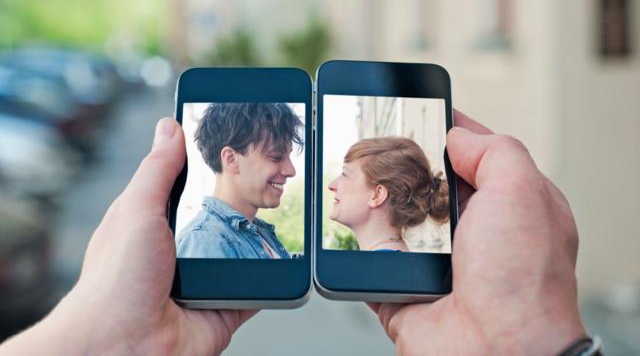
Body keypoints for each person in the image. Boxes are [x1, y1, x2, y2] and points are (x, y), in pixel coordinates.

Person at [0, 111, 593, 355]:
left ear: (379, 196)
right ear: (230, 160)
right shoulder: (208, 244)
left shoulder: (266, 241)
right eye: (276, 157)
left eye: (343, 175)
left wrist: (519, 334)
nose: (300, 174)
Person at [176, 103, 303, 259]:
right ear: (231, 160)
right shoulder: (207, 241)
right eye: (276, 157)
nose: (291, 171)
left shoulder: (260, 234)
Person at [327, 137, 449, 252]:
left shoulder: (377, 270)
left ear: (377, 195)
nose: (331, 185)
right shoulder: (392, 262)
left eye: (345, 174)